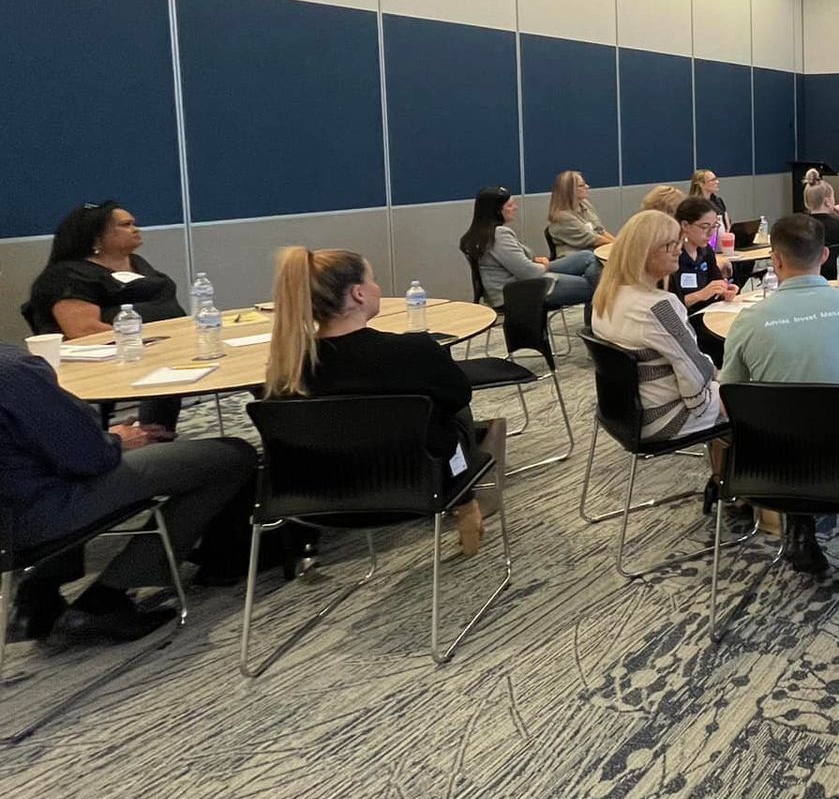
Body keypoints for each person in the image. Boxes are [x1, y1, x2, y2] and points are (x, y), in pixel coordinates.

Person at [0, 337, 256, 643]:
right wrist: (120, 440)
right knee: (233, 455)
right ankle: (106, 601)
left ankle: (37, 598)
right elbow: (89, 457)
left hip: (14, 513)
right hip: (37, 512)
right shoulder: (12, 370)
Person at [264, 247, 504, 553]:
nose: (378, 287)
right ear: (358, 294)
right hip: (416, 489)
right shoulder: (413, 352)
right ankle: (466, 501)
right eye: (372, 280)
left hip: (315, 497)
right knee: (451, 411)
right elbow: (459, 396)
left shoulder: (287, 371)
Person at [719, 214, 839, 576]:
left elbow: (729, 402)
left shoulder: (748, 321)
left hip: (770, 463)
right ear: (824, 256)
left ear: (775, 259)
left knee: (793, 419)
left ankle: (800, 529)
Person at [593, 211, 745, 523]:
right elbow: (696, 376)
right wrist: (722, 395)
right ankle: (748, 494)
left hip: (624, 415)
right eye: (669, 246)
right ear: (642, 252)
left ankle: (722, 481)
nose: (678, 249)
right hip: (662, 419)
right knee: (754, 397)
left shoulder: (606, 298)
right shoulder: (659, 306)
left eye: (677, 242)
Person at [26, 201, 187, 434]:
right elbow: (83, 332)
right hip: (113, 360)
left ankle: (157, 434)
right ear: (97, 237)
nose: (136, 229)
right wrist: (152, 344)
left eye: (134, 223)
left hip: (168, 347)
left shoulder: (137, 264)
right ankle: (148, 440)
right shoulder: (68, 276)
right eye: (126, 225)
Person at [458, 186, 598, 316]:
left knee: (588, 256)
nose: (515, 207)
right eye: (510, 205)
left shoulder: (478, 235)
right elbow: (528, 272)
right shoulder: (499, 235)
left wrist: (536, 261)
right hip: (522, 291)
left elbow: (513, 263)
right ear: (497, 210)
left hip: (514, 286)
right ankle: (597, 322)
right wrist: (544, 265)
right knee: (598, 286)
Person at [672, 196, 738, 363]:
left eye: (714, 226)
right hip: (686, 326)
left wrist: (726, 290)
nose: (711, 233)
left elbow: (717, 282)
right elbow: (670, 306)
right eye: (704, 227)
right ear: (685, 226)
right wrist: (701, 294)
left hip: (709, 316)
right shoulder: (672, 257)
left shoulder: (706, 251)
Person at [546, 170, 613, 253]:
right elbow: (593, 239)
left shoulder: (585, 204)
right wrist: (618, 247)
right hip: (577, 258)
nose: (587, 187)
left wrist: (619, 244)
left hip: (593, 252)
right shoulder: (562, 217)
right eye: (581, 185)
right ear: (569, 190)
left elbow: (600, 231)